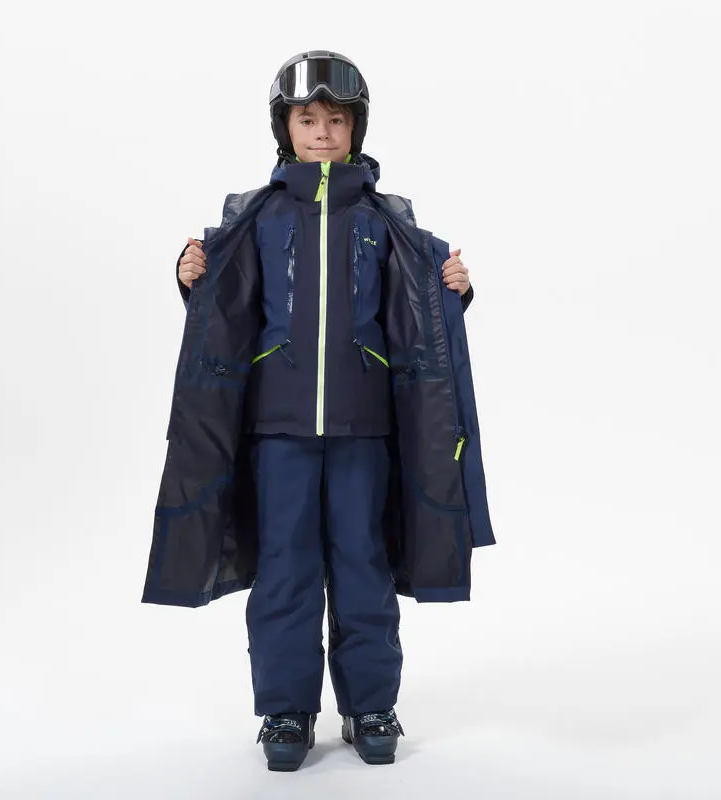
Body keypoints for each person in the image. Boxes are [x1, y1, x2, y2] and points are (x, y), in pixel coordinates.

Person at [142, 50, 496, 772]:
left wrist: (453, 289)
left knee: (364, 564)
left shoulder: (386, 219)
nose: (324, 133)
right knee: (286, 568)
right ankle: (286, 710)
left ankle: (371, 705)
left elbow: (416, 313)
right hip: (278, 431)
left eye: (336, 120)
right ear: (286, 129)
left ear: (356, 127)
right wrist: (189, 277)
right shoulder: (257, 215)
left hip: (365, 429)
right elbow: (228, 308)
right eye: (308, 120)